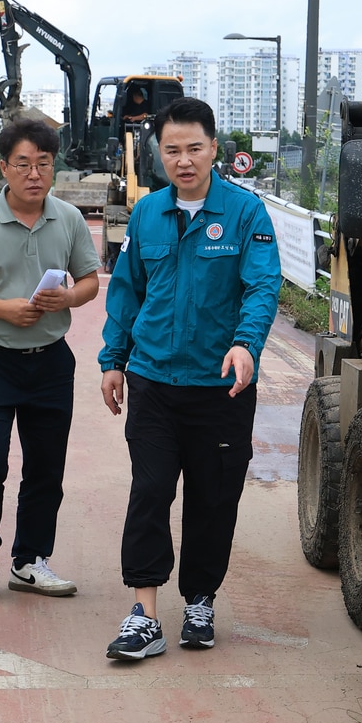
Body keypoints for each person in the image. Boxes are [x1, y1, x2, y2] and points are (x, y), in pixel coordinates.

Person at [99, 97, 281, 660]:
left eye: (194, 149)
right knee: (150, 492)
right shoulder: (149, 213)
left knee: (213, 497)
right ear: (159, 152)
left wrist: (246, 346)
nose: (183, 161)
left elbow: (262, 286)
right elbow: (127, 290)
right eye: (172, 150)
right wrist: (113, 359)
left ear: (214, 150)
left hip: (219, 387)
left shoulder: (246, 214)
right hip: (153, 381)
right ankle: (144, 614)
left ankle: (199, 599)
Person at [0, 118, 100, 603]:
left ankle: (30, 560)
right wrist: (3, 309)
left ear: (54, 168)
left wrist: (68, 299)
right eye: (23, 164)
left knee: (46, 468)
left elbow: (89, 281)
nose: (34, 174)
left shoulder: (68, 219)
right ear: (4, 167)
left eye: (44, 164)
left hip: (51, 361)